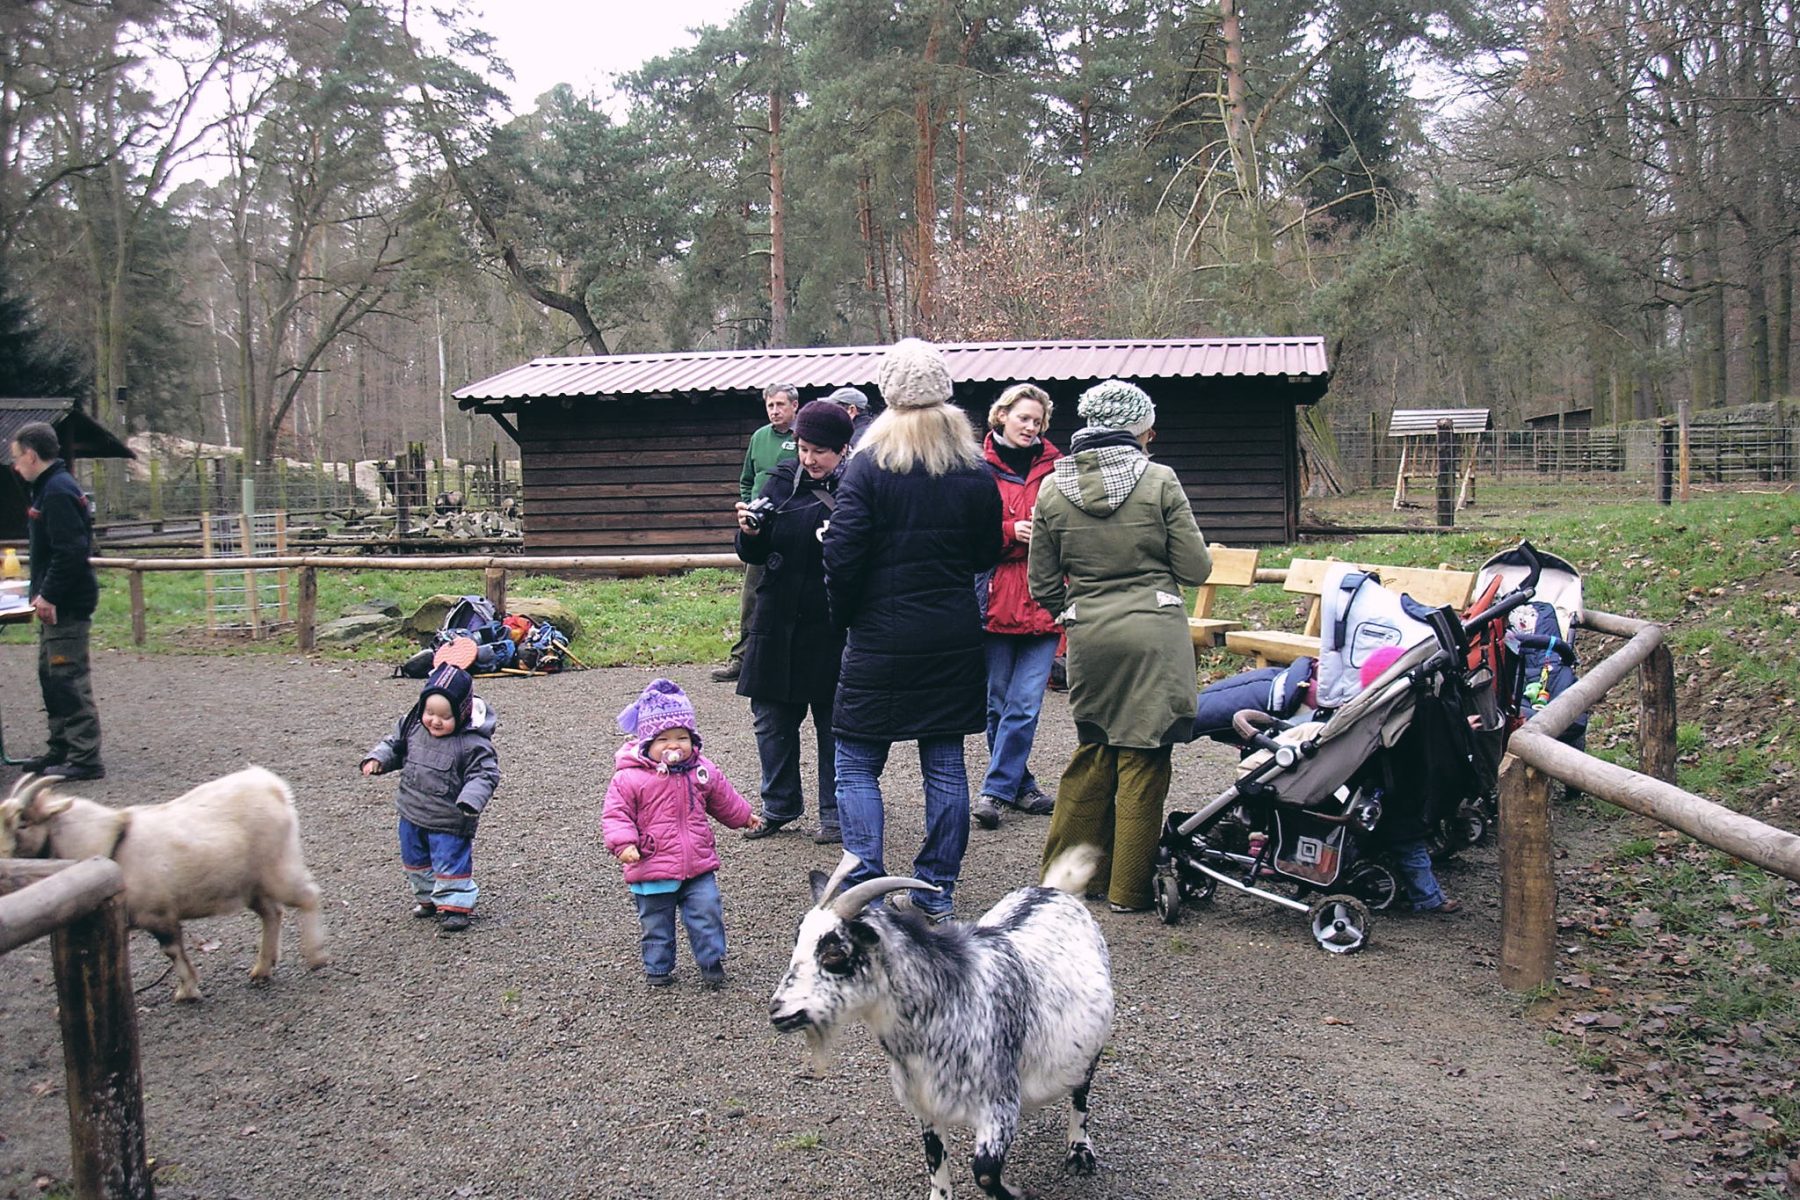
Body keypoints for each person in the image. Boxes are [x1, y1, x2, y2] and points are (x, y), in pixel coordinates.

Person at [823, 338, 1003, 924]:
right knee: (946, 764)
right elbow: (985, 552)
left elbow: (842, 556)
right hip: (951, 633)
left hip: (878, 633)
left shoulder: (866, 468)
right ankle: (935, 890)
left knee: (854, 763)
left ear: (887, 397)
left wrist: (845, 617)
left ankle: (866, 886)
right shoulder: (974, 472)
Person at [1031, 379, 1212, 914]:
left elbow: (1042, 582)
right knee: (1145, 757)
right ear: (1138, 429)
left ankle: (1063, 885)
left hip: (1090, 633)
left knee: (1094, 751)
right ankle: (1128, 890)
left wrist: (1075, 611)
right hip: (1155, 634)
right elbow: (1196, 568)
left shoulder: (1051, 488)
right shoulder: (1159, 481)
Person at [735, 400, 852, 844]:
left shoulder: (856, 489)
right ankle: (779, 805)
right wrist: (749, 531)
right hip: (777, 620)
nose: (810, 459)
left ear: (842, 449)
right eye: (804, 448)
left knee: (832, 724)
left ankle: (835, 813)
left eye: (820, 450)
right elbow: (755, 552)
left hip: (830, 626)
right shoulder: (780, 479)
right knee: (771, 722)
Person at [602, 679, 760, 988]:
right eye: (663, 739)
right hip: (651, 865)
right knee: (656, 923)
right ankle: (658, 968)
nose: (674, 746)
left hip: (697, 863)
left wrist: (743, 816)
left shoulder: (701, 770)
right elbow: (615, 814)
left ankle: (711, 961)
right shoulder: (629, 778)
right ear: (647, 742)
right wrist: (624, 844)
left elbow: (722, 798)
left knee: (707, 912)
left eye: (682, 737)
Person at [972, 384, 1064, 830]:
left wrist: (1043, 537)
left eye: (1037, 421)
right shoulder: (976, 468)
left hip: (1045, 600)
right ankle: (1020, 784)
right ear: (1002, 416)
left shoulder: (1058, 469)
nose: (1030, 427)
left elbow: (1071, 530)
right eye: (1023, 418)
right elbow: (968, 532)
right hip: (994, 598)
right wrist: (1011, 533)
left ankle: (993, 792)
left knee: (1025, 703)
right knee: (996, 704)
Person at [360, 663, 500, 932]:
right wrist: (378, 758)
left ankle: (455, 904)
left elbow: (485, 774)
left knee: (450, 859)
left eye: (444, 716)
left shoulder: (472, 743)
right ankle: (427, 897)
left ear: (461, 713)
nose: (435, 720)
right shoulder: (413, 727)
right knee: (415, 858)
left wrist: (471, 798)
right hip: (412, 811)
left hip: (450, 817)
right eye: (429, 712)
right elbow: (394, 746)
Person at [7, 421, 103, 781]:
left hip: (67, 604)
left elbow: (70, 551)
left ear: (31, 455)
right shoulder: (49, 488)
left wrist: (48, 595)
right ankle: (61, 747)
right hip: (55, 603)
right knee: (51, 676)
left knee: (68, 678)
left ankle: (85, 757)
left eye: (17, 458)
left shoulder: (58, 492)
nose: (15, 467)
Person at [715, 384, 800, 683]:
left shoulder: (801, 439)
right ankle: (742, 658)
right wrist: (750, 505)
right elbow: (746, 478)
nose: (775, 411)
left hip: (792, 526)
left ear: (794, 406)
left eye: (780, 405)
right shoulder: (759, 437)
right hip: (759, 528)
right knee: (752, 594)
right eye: (770, 406)